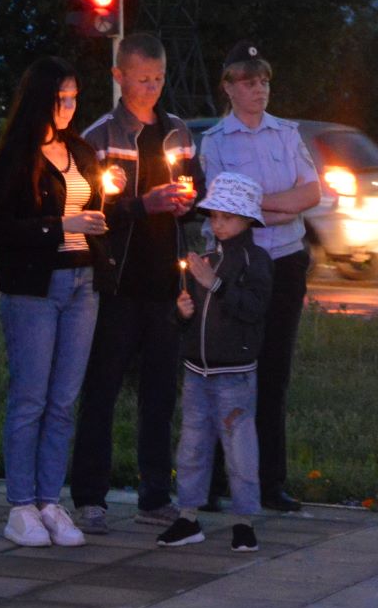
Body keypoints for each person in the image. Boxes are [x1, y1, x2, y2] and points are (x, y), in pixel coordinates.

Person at [71, 34, 200, 533]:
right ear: (119, 77)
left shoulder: (180, 133)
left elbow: (198, 187)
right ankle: (90, 495)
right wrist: (142, 204)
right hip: (117, 284)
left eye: (159, 78)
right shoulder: (100, 137)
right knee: (101, 390)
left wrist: (188, 199)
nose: (152, 87)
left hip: (166, 281)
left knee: (160, 393)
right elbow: (88, 210)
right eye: (143, 78)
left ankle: (154, 493)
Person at [195, 43, 322, 512]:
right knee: (223, 367)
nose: (259, 90)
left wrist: (257, 202)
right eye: (249, 82)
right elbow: (224, 204)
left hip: (285, 261)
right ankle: (208, 483)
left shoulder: (286, 134)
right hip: (235, 262)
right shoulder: (216, 141)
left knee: (273, 372)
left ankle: (270, 483)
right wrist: (272, 201)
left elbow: (310, 193)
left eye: (264, 81)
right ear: (228, 87)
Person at [0, 58, 105, 548]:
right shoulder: (17, 154)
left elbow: (95, 203)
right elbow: (1, 228)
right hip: (35, 286)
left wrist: (96, 226)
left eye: (74, 97)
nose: (68, 108)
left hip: (82, 283)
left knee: (63, 399)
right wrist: (62, 227)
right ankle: (21, 505)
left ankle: (50, 499)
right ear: (39, 100)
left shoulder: (78, 149)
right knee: (31, 396)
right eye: (60, 99)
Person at [157, 172, 273, 554]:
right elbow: (190, 317)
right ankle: (188, 516)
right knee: (191, 446)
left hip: (234, 375)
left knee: (239, 447)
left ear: (247, 220)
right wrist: (182, 313)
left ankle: (244, 522)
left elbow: (254, 310)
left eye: (228, 217)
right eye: (214, 217)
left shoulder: (255, 260)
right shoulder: (204, 260)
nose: (218, 224)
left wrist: (215, 284)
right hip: (196, 372)